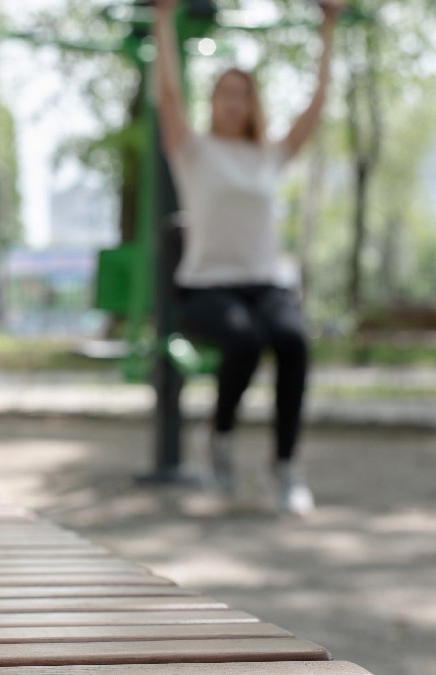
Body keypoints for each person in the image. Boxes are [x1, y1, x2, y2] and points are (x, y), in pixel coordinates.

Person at [152, 0, 343, 515]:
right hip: (205, 288)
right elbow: (168, 92)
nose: (233, 102)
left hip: (265, 283)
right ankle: (220, 434)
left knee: (293, 340)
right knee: (243, 337)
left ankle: (284, 465)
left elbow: (317, 103)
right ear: (212, 102)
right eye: (224, 93)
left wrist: (329, 27)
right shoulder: (192, 151)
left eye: (242, 94)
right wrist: (163, 18)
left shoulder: (271, 156)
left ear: (254, 102)